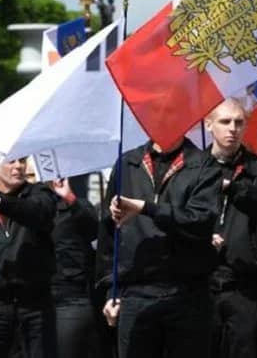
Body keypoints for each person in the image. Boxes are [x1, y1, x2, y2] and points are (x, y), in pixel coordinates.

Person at [98, 136, 220, 358]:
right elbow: (108, 233)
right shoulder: (127, 162)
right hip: (136, 293)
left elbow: (201, 221)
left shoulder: (204, 164)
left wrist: (147, 208)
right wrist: (110, 290)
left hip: (187, 293)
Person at [203, 99, 257, 358]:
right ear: (209, 124)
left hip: (248, 288)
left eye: (239, 122)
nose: (232, 128)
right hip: (201, 286)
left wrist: (233, 187)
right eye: (225, 121)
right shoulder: (193, 168)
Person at [0, 158, 59, 358]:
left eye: (22, 160)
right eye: (11, 161)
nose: (18, 166)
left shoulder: (39, 193)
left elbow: (40, 213)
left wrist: (1, 203)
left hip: (35, 306)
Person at [50, 178, 100, 358]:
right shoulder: (25, 208)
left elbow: (93, 227)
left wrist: (69, 198)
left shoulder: (73, 207)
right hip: (33, 299)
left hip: (69, 297)